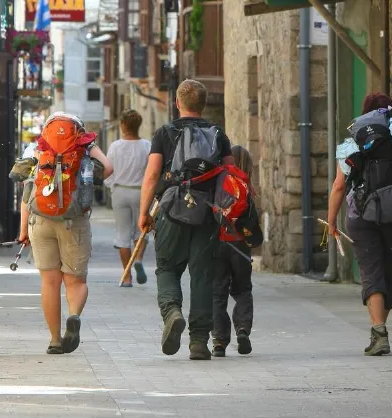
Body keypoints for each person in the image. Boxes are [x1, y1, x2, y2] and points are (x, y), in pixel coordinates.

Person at [138, 79, 235, 360]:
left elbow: (152, 175)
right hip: (207, 213)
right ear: (203, 105)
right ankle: (199, 342)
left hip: (172, 209)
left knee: (168, 268)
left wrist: (144, 212)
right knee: (203, 276)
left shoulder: (164, 133)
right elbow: (231, 177)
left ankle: (172, 312)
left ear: (177, 103)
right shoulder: (218, 135)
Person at [327, 93, 392, 356]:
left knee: (371, 272)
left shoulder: (352, 144)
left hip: (361, 218)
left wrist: (331, 221)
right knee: (386, 270)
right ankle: (379, 328)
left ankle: (379, 331)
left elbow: (338, 187)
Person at [17, 112, 114, 355]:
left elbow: (26, 188)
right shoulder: (85, 145)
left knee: (50, 282)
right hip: (74, 219)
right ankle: (74, 315)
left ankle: (54, 340)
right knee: (76, 281)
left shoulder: (37, 147)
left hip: (40, 219)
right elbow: (109, 168)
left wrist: (23, 230)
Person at [211, 145, 259, 357]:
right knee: (243, 290)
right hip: (240, 246)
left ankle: (219, 342)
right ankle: (242, 329)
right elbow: (253, 224)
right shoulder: (247, 188)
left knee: (217, 293)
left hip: (218, 243)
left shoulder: (218, 182)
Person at [105, 109, 152, 287]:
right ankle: (138, 259)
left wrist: (111, 186)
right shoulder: (147, 146)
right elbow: (152, 172)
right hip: (140, 192)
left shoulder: (115, 146)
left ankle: (127, 276)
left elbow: (108, 170)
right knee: (141, 230)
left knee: (122, 234)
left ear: (123, 125)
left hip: (120, 192)